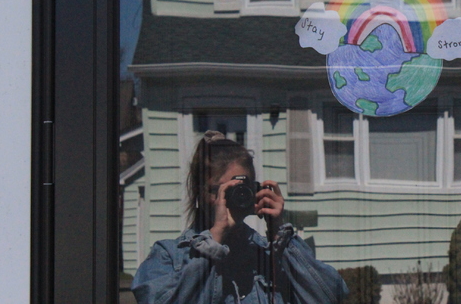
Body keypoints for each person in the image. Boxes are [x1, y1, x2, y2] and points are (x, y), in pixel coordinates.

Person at [132, 130, 348, 304]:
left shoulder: (268, 254)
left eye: (243, 188)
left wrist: (279, 236)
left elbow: (331, 296)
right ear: (202, 193)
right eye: (226, 190)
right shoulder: (169, 256)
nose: (236, 197)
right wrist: (213, 241)